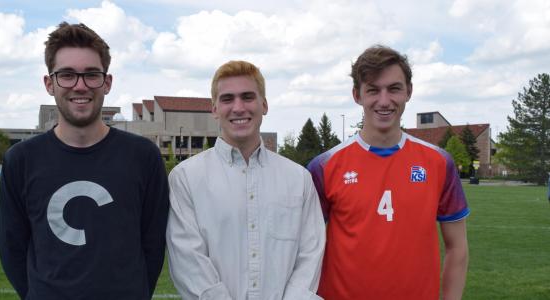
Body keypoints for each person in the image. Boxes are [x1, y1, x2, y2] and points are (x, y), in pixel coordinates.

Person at [0, 22, 169, 299]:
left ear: (107, 82)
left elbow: (153, 243)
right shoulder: (21, 160)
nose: (80, 86)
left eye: (91, 75)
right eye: (67, 75)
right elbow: (11, 246)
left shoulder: (142, 156)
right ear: (49, 83)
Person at [308, 45, 470, 300]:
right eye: (373, 90)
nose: (384, 101)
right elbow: (304, 251)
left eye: (394, 88)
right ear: (357, 95)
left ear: (408, 92)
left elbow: (457, 247)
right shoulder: (324, 166)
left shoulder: (439, 162)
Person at [166, 60, 326, 300]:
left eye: (248, 97)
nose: (238, 108)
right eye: (227, 99)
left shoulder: (298, 179)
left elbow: (310, 257)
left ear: (264, 105)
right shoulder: (186, 178)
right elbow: (188, 261)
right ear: (214, 109)